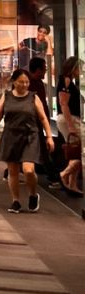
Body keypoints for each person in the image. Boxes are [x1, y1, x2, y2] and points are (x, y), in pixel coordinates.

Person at [0, 67, 54, 213]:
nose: (24, 85)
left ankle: (33, 195)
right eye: (21, 82)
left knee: (28, 170)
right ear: (14, 82)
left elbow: (43, 118)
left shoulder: (33, 97)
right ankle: (15, 201)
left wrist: (49, 137)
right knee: (13, 171)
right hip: (11, 135)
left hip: (30, 136)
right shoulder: (7, 96)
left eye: (27, 82)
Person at [28, 56, 60, 189]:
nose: (46, 71)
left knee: (40, 149)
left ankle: (52, 177)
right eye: (44, 69)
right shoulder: (29, 83)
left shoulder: (39, 83)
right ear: (38, 70)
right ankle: (53, 178)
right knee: (43, 150)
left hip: (37, 122)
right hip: (31, 123)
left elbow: (43, 107)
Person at [56, 56, 83, 194]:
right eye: (79, 67)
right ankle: (64, 174)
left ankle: (72, 184)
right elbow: (64, 103)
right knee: (81, 151)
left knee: (76, 151)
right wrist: (71, 124)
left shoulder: (67, 81)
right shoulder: (66, 81)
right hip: (70, 119)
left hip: (71, 119)